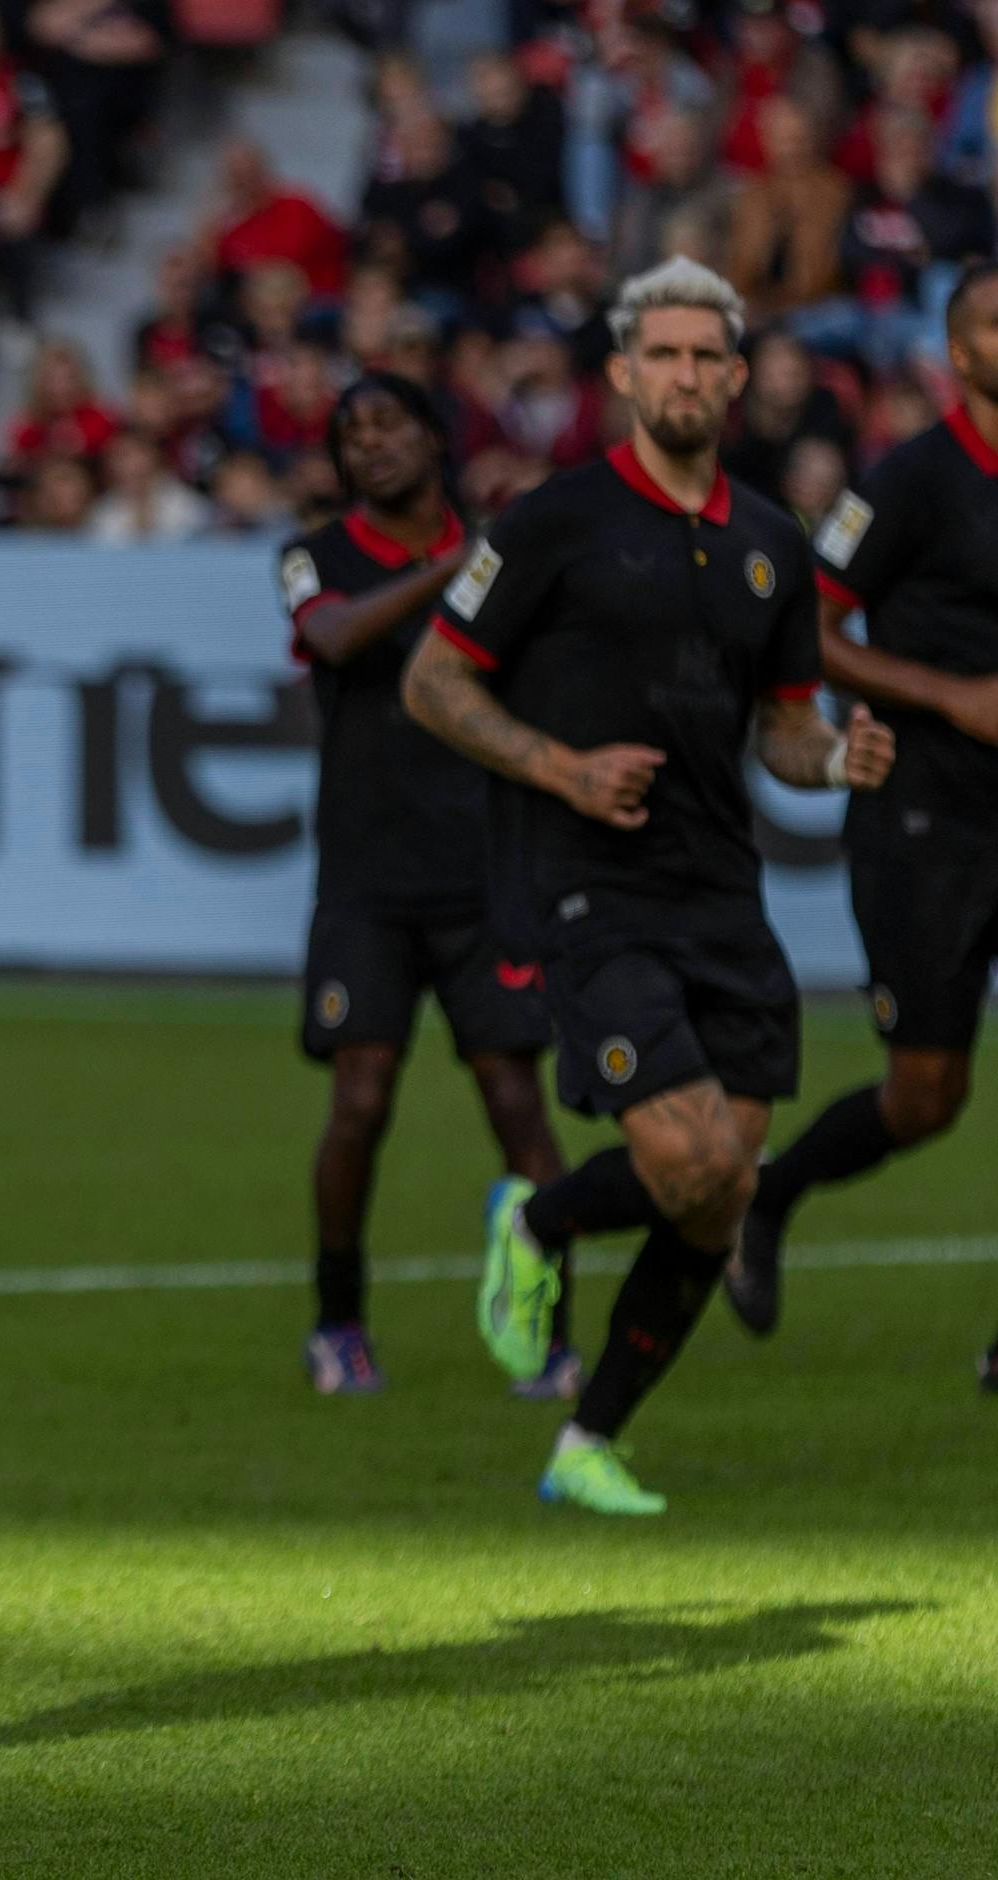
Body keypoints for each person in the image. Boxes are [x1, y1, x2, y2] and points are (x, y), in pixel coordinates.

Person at [402, 257, 895, 1514]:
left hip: (719, 891)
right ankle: (536, 1225)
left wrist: (837, 754)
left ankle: (584, 1437)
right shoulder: (551, 519)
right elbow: (434, 683)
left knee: (723, 1184)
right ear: (622, 373)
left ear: (735, 378)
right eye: (660, 354)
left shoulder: (770, 543)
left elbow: (781, 729)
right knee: (684, 1164)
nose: (682, 374)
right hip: (585, 883)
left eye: (704, 356)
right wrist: (560, 767)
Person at [725, 262, 998, 1384]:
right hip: (925, 816)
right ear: (956, 347)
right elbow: (809, 625)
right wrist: (947, 696)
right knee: (925, 1094)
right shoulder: (908, 482)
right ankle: (770, 1191)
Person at [278, 373, 567, 1398]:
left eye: (390, 423)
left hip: (483, 875)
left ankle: (545, 1330)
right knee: (358, 1102)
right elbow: (331, 636)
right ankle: (336, 1320)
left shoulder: (507, 553)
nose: (371, 444)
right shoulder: (316, 557)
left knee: (514, 1104)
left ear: (434, 439)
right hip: (365, 883)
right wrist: (455, 565)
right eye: (351, 432)